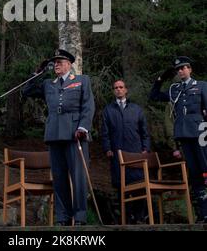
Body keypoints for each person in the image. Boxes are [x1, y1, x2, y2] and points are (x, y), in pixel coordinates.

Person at [22, 48, 95, 226]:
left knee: (78, 177)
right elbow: (27, 90)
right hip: (54, 134)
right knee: (59, 177)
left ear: (69, 64)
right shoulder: (49, 84)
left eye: (60, 62)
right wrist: (37, 72)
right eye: (55, 62)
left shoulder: (81, 81)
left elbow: (88, 106)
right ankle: (62, 217)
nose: (56, 64)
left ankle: (79, 217)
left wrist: (83, 127)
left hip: (75, 134)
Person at [149, 56, 207, 222]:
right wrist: (161, 78)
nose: (181, 71)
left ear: (190, 69)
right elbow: (154, 96)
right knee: (195, 173)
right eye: (178, 69)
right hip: (184, 134)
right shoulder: (175, 89)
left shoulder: (201, 86)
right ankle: (203, 214)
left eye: (183, 68)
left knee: (206, 170)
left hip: (201, 133)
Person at [101, 79, 151, 223]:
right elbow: (105, 133)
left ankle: (140, 217)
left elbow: (145, 132)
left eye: (121, 87)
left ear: (126, 89)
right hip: (117, 154)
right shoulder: (108, 110)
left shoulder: (136, 109)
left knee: (139, 185)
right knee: (121, 186)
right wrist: (107, 149)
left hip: (136, 153)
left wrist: (145, 149)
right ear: (113, 91)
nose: (118, 89)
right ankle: (126, 219)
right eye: (116, 87)